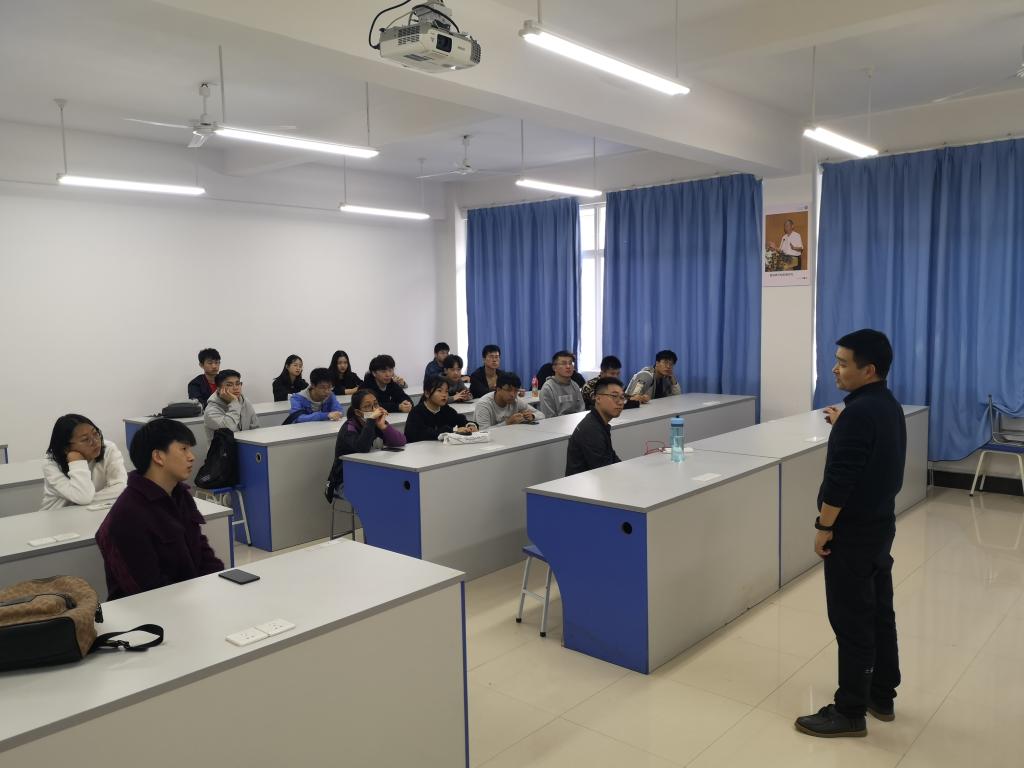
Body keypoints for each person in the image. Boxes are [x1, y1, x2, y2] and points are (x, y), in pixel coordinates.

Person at [795, 329, 906, 739]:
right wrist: (846, 425)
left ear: (869, 369)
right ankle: (881, 693)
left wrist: (824, 527)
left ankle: (850, 710)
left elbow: (841, 480)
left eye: (843, 363)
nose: (834, 369)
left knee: (851, 619)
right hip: (879, 526)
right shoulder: (886, 405)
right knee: (878, 612)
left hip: (853, 532)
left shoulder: (858, 414)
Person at [96, 418, 224, 600]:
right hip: (151, 609)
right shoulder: (128, 513)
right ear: (158, 456)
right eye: (183, 449)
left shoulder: (180, 495)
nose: (192, 457)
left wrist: (217, 584)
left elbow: (202, 550)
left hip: (190, 598)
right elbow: (146, 588)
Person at [41, 414, 127, 510]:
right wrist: (76, 461)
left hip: (92, 510)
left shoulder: (108, 449)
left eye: (95, 433)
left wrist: (89, 500)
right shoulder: (51, 463)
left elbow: (121, 487)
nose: (95, 442)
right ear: (66, 448)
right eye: (85, 439)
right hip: (57, 514)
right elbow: (83, 496)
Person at [329, 390, 408, 490]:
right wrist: (371, 420)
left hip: (368, 473)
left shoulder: (376, 423)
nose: (374, 410)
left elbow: (401, 441)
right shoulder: (349, 428)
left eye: (376, 404)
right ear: (358, 412)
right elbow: (363, 447)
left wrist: (383, 427)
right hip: (345, 479)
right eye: (367, 406)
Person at [566, 377, 625, 475]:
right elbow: (605, 470)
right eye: (614, 396)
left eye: (622, 397)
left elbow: (612, 459)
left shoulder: (598, 422)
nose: (620, 402)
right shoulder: (591, 429)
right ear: (597, 398)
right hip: (582, 483)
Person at [405, 376, 479, 443]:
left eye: (446, 391)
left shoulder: (445, 409)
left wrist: (470, 426)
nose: (444, 395)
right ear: (427, 393)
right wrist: (453, 431)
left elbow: (460, 420)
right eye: (439, 391)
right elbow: (420, 434)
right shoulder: (417, 412)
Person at [473, 373, 545, 430]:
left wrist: (532, 416)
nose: (513, 395)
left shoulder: (516, 400)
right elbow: (483, 431)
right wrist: (507, 423)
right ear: (498, 389)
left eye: (516, 390)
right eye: (508, 390)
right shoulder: (484, 404)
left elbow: (541, 415)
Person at [203, 369, 260, 441]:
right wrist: (234, 403)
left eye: (238, 383)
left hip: (247, 444)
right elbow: (229, 429)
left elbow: (255, 428)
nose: (236, 388)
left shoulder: (245, 402)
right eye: (229, 385)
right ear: (219, 389)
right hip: (225, 447)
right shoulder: (211, 411)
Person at [538, 350, 586, 418]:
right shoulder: (548, 388)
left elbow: (581, 409)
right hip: (555, 423)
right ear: (554, 368)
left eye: (570, 363)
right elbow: (549, 417)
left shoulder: (574, 385)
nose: (568, 366)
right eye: (564, 363)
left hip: (575, 422)